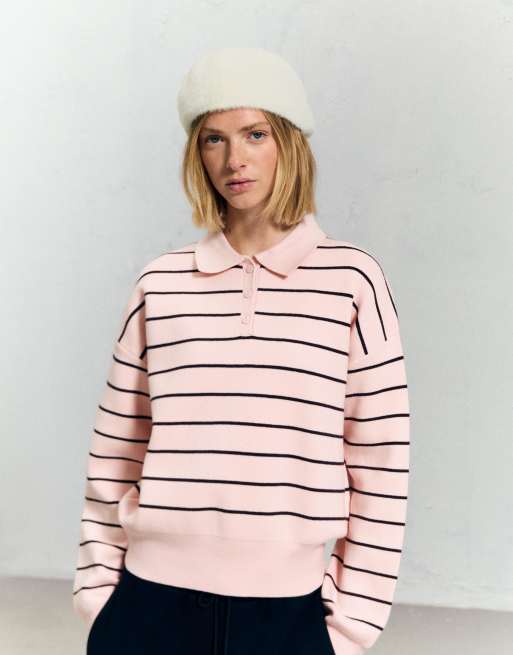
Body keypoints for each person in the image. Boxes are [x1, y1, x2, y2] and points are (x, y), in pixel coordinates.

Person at [72, 46, 410, 655]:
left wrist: (350, 624)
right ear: (196, 153)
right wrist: (100, 595)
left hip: (287, 618)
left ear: (289, 143)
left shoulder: (353, 282)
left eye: (256, 134)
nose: (235, 160)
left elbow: (381, 463)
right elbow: (115, 451)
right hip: (147, 607)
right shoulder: (160, 284)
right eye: (214, 139)